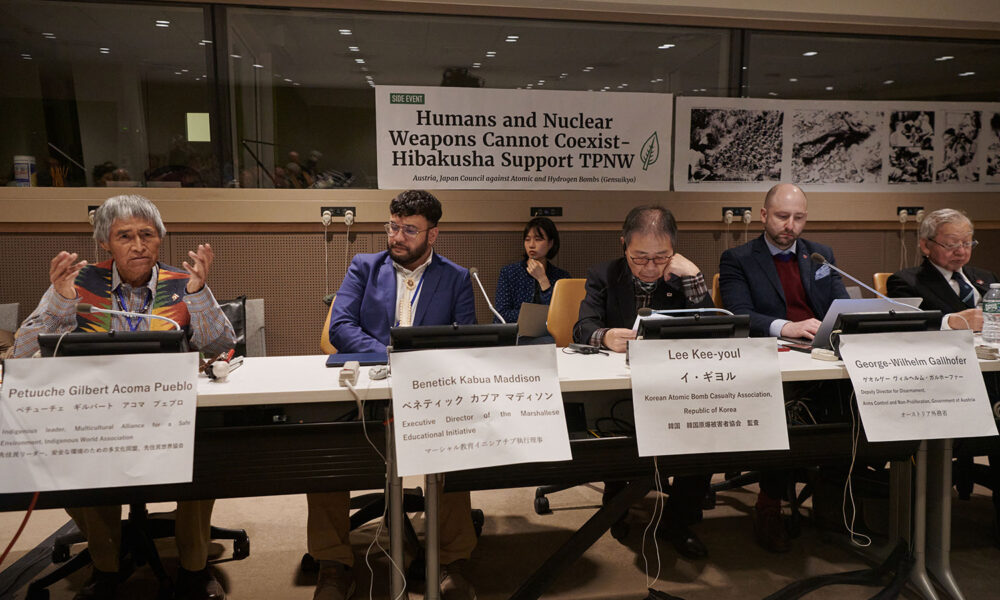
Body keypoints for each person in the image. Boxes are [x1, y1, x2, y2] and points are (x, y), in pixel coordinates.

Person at [12, 194, 235, 600]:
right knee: (76, 460)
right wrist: (61, 303)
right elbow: (23, 354)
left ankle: (194, 568)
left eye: (147, 235)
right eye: (125, 236)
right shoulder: (77, 283)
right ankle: (106, 567)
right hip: (95, 414)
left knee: (204, 456)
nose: (138, 245)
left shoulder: (181, 283)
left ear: (160, 238)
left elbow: (222, 344)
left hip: (168, 413)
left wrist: (199, 294)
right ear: (105, 243)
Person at [311, 190, 478, 600]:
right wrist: (389, 353)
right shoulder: (364, 267)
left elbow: (466, 342)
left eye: (409, 229)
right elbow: (341, 326)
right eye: (392, 225)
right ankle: (334, 563)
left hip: (428, 393)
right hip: (366, 390)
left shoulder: (456, 277)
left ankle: (451, 562)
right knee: (323, 457)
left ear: (432, 234)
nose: (396, 236)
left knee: (452, 450)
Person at [572, 204, 714, 560]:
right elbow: (582, 327)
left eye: (660, 257)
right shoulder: (604, 275)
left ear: (674, 250)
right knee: (616, 429)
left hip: (678, 383)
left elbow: (716, 332)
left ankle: (679, 521)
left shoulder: (684, 276)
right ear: (623, 245)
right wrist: (605, 337)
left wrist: (695, 278)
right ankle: (616, 501)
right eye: (640, 258)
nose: (650, 267)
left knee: (706, 428)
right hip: (620, 386)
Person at [718, 183, 849, 553]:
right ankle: (769, 504)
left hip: (819, 352)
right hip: (771, 354)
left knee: (852, 402)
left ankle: (834, 502)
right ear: (763, 215)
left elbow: (840, 305)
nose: (790, 225)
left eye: (799, 217)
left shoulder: (820, 255)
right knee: (783, 414)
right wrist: (785, 327)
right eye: (781, 216)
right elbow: (739, 314)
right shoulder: (738, 258)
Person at [887, 209, 996, 331]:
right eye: (951, 244)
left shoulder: (987, 277)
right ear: (925, 246)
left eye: (967, 244)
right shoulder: (905, 282)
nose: (961, 252)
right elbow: (908, 324)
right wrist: (950, 322)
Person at [493, 216, 571, 342]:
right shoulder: (509, 272)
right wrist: (529, 317)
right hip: (515, 336)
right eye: (527, 239)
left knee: (552, 341)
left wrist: (543, 280)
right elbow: (500, 314)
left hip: (549, 336)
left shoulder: (562, 277)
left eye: (538, 239)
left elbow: (562, 318)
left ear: (550, 243)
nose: (531, 245)